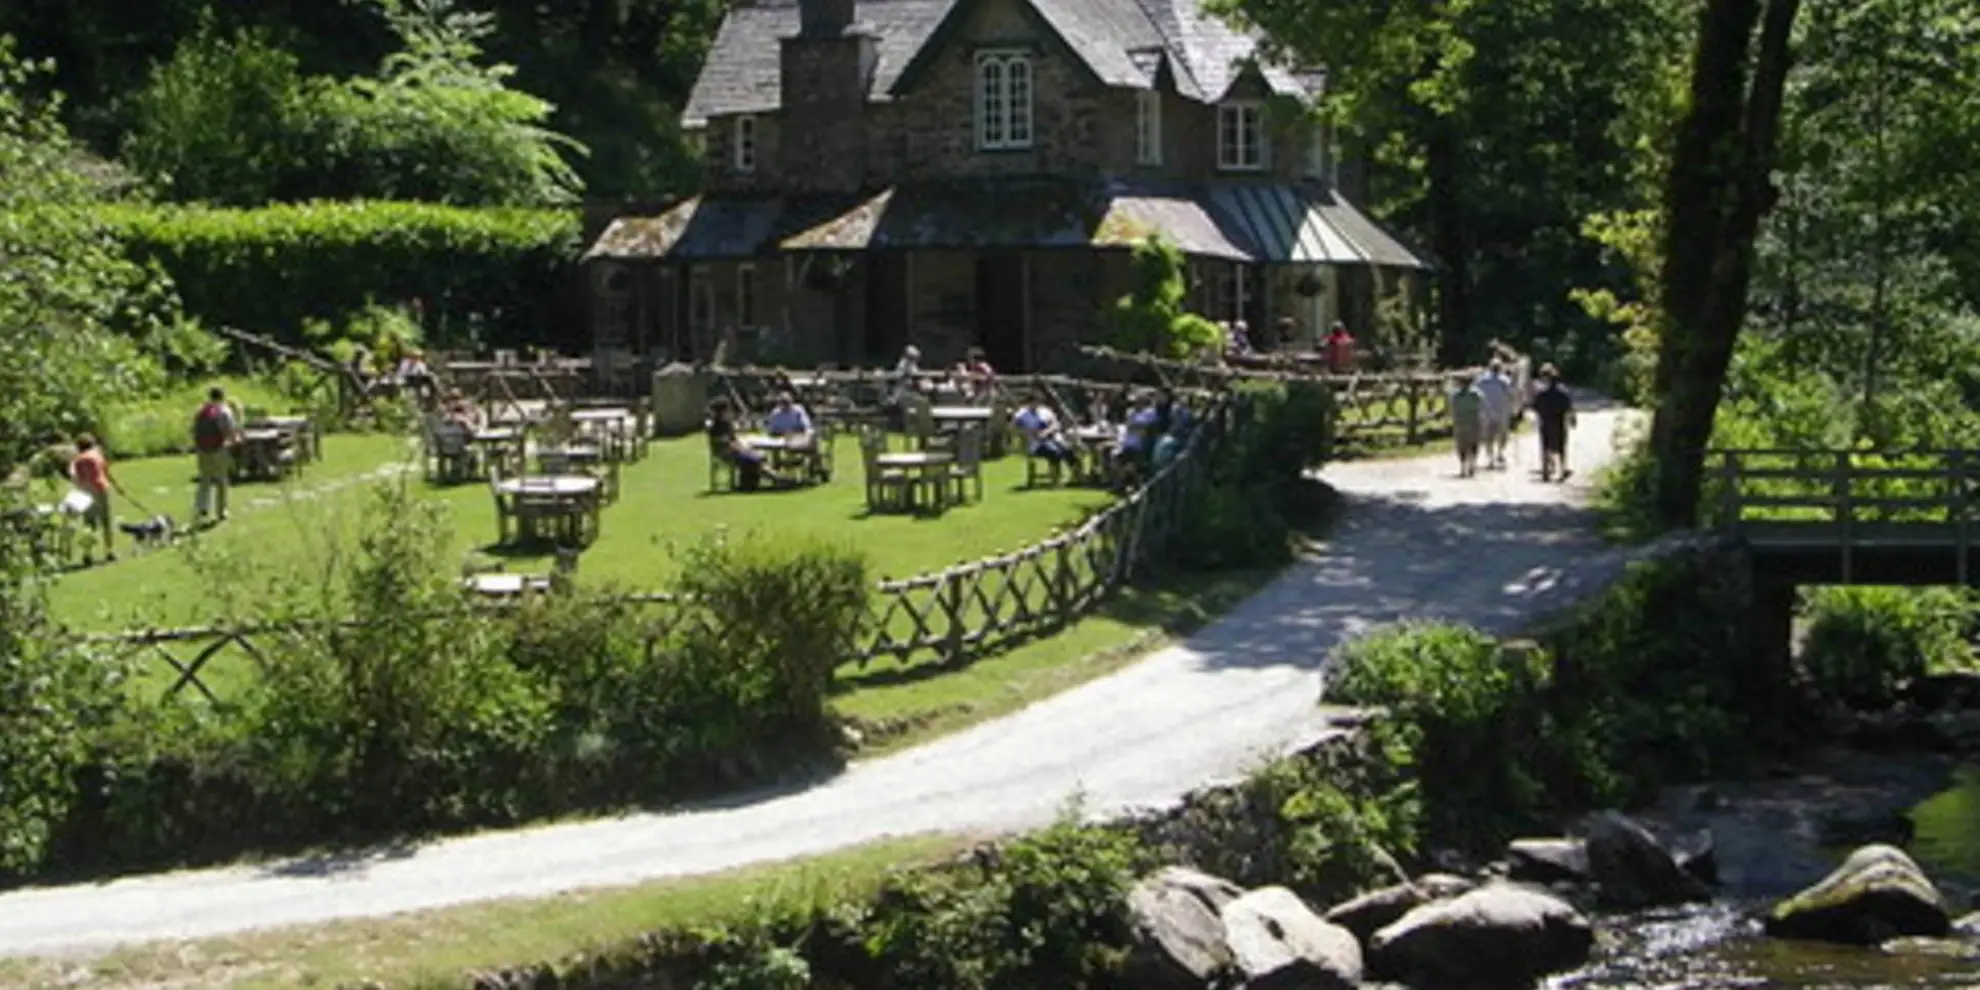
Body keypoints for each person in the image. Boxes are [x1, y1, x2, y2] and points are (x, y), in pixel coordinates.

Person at [68, 434, 127, 560]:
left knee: (89, 523)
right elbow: (105, 472)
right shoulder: (97, 455)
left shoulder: (77, 460)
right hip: (100, 488)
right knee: (106, 521)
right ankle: (110, 551)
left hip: (86, 491)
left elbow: (76, 478)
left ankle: (87, 553)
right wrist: (117, 487)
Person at [705, 397, 782, 492]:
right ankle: (777, 479)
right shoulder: (722, 424)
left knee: (758, 457)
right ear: (724, 410)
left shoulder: (716, 423)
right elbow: (728, 442)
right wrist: (743, 448)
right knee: (756, 459)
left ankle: (755, 481)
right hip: (729, 454)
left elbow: (731, 440)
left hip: (726, 453)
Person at [191, 386, 239, 525]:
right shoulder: (224, 410)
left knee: (204, 479)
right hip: (219, 448)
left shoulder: (201, 410)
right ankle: (221, 511)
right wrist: (233, 442)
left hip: (202, 449)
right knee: (221, 480)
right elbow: (229, 430)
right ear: (223, 396)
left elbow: (193, 429)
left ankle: (201, 507)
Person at [1529, 364, 1577, 482]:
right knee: (1561, 447)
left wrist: (1539, 415)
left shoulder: (1541, 393)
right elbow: (1569, 407)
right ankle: (1562, 470)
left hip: (1545, 422)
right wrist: (1573, 419)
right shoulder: (1562, 392)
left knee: (1545, 446)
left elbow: (1535, 407)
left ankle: (1545, 471)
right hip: (1559, 421)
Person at [1472, 359, 1515, 471]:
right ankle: (1500, 452)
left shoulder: (1481, 380)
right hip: (1502, 411)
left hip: (1486, 412)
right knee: (1502, 434)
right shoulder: (1505, 380)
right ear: (1500, 368)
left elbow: (1476, 394)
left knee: (1488, 436)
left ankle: (1490, 457)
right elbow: (1511, 395)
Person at [1012, 392, 1074, 465]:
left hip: (1051, 438)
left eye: (1037, 402)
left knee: (1067, 449)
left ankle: (1074, 466)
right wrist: (1025, 433)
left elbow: (1056, 424)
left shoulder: (1045, 411)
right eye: (1033, 402)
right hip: (1034, 443)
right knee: (1054, 452)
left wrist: (1047, 431)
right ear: (1028, 402)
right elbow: (1013, 428)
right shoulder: (1021, 414)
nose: (1036, 404)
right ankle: (1055, 468)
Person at [1449, 374, 1484, 478]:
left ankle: (1464, 466)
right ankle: (1471, 464)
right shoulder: (1476, 394)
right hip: (1473, 421)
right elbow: (1482, 406)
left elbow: (1453, 408)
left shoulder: (1456, 395)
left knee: (1462, 445)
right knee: (1473, 444)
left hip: (1461, 422)